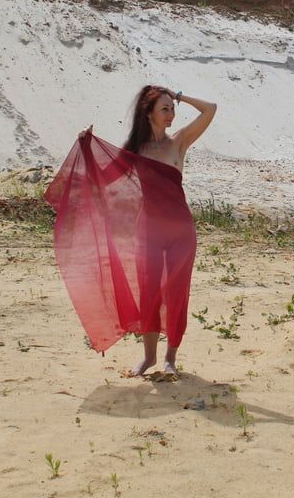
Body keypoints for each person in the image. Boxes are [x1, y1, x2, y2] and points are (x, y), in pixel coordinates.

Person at [44, 85, 216, 379]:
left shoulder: (179, 142)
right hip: (147, 230)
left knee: (176, 294)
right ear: (148, 114)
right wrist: (86, 147)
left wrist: (178, 95)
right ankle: (148, 358)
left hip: (180, 231)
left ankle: (170, 359)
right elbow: (102, 179)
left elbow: (210, 109)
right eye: (164, 109)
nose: (171, 114)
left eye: (172, 109)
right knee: (149, 294)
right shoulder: (135, 151)